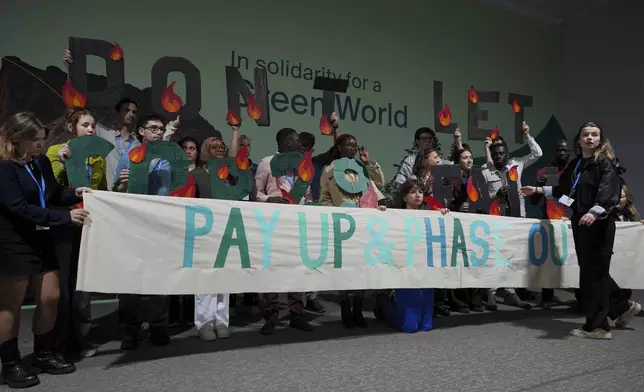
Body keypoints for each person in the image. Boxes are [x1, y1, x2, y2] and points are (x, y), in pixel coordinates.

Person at [0, 112, 91, 389]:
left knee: (51, 297)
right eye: (36, 140)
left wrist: (74, 193)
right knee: (10, 306)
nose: (42, 145)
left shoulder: (39, 163)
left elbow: (50, 195)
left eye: (43, 139)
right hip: (13, 241)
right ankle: (10, 362)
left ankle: (43, 353)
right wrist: (64, 218)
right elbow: (19, 208)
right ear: (17, 139)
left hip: (42, 238)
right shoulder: (4, 168)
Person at [521, 122, 625, 339]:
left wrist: (594, 212)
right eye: (586, 135)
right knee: (589, 274)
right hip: (581, 223)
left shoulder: (604, 163)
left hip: (599, 225)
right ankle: (608, 314)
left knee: (595, 275)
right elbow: (563, 189)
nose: (590, 138)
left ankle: (598, 326)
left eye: (594, 135)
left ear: (600, 139)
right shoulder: (577, 164)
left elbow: (609, 192)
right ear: (579, 140)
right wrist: (538, 190)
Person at [46, 108, 105, 359]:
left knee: (82, 285)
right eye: (85, 125)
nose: (90, 129)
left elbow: (101, 190)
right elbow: (49, 189)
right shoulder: (53, 151)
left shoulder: (98, 158)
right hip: (62, 224)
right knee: (62, 286)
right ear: (72, 128)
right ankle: (59, 341)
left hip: (87, 224)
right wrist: (59, 162)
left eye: (93, 125)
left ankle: (82, 338)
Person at [113, 114, 175, 349]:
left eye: (161, 129)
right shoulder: (129, 155)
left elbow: (169, 186)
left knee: (158, 276)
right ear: (142, 131)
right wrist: (124, 184)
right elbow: (117, 187)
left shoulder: (167, 157)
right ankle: (131, 329)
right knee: (131, 277)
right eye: (153, 128)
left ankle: (159, 326)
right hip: (132, 222)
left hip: (158, 221)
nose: (158, 132)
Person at [319, 134, 386, 328]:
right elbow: (324, 196)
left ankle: (358, 308)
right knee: (344, 268)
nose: (352, 148)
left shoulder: (361, 169)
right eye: (348, 145)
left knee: (361, 268)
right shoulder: (330, 170)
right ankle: (345, 308)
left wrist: (368, 163)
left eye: (354, 146)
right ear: (339, 147)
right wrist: (333, 216)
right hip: (341, 224)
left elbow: (379, 184)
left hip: (363, 225)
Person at [254, 128, 314, 335]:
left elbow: (307, 194)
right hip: (272, 223)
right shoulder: (267, 162)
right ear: (286, 143)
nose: (300, 145)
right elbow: (256, 193)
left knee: (297, 269)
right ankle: (270, 317)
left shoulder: (302, 166)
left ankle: (297, 315)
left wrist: (310, 205)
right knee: (271, 269)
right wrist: (269, 199)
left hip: (297, 223)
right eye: (296, 141)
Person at [481, 122, 541, 310]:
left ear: (507, 153)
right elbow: (479, 197)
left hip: (517, 218)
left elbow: (537, 154)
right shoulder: (485, 169)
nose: (499, 156)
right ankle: (490, 292)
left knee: (513, 256)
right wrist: (495, 196)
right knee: (494, 255)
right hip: (495, 219)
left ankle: (510, 292)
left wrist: (527, 135)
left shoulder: (517, 163)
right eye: (495, 152)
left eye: (502, 152)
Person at [191, 127, 240, 342]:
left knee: (225, 278)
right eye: (215, 147)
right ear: (205, 151)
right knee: (205, 279)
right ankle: (204, 323)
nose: (220, 149)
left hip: (228, 230)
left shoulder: (230, 177)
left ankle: (222, 321)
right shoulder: (196, 175)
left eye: (222, 146)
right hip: (204, 232)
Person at [373, 179, 438, 332]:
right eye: (413, 192)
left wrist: (443, 214)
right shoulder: (395, 216)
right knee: (410, 327)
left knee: (427, 326)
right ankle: (384, 304)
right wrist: (381, 213)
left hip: (425, 268)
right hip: (405, 269)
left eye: (420, 192)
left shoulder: (430, 216)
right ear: (404, 197)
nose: (417, 195)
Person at [529, 139, 571, 309]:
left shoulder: (575, 172)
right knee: (548, 259)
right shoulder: (544, 172)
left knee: (574, 257)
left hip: (570, 219)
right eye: (559, 150)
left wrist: (558, 197)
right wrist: (539, 186)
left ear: (570, 152)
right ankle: (547, 296)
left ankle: (582, 296)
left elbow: (578, 198)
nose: (562, 153)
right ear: (555, 152)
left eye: (565, 150)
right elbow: (533, 201)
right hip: (549, 220)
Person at [447, 145, 485, 313]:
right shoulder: (450, 178)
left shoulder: (477, 177)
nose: (469, 160)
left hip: (474, 224)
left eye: (470, 157)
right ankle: (458, 299)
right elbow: (446, 201)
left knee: (474, 260)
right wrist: (458, 206)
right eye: (464, 157)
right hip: (456, 222)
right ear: (457, 162)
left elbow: (484, 199)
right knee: (458, 262)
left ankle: (475, 299)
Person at [393, 127, 460, 186]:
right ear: (417, 141)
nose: (428, 141)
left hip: (437, 199)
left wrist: (458, 143)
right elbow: (401, 185)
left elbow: (458, 169)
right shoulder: (410, 161)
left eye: (430, 138)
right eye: (425, 138)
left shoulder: (439, 161)